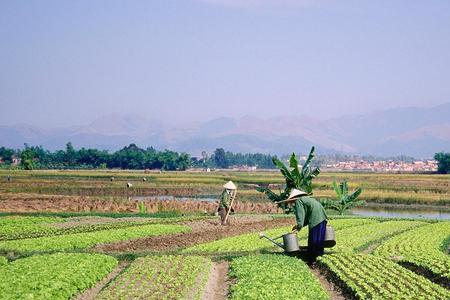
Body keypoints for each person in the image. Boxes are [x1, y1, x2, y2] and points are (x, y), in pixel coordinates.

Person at [278, 189, 328, 262]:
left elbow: (300, 215)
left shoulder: (299, 201)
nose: (291, 203)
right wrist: (299, 227)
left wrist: (299, 226)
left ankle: (312, 260)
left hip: (315, 220)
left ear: (293, 198)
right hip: (322, 218)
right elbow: (307, 216)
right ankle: (319, 258)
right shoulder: (308, 199)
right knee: (319, 240)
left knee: (313, 241)